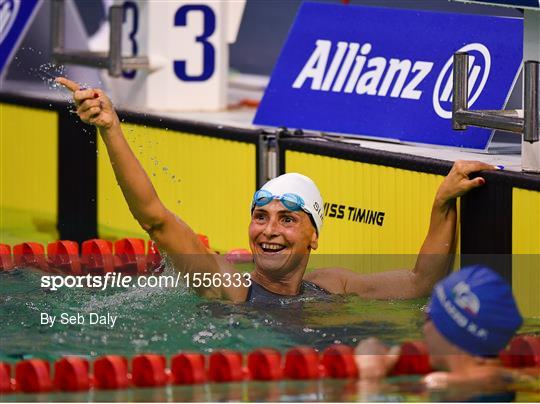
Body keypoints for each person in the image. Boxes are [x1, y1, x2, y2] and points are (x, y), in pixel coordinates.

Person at [56, 77, 497, 303]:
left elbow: (421, 282)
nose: (268, 230)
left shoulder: (334, 287)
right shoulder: (225, 286)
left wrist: (442, 203)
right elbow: (154, 216)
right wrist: (111, 128)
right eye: (260, 215)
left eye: (288, 219)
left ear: (314, 236)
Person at [354, 265, 531, 389]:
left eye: (430, 315)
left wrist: (370, 380)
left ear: (451, 331)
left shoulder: (440, 384)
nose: (424, 325)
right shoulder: (520, 378)